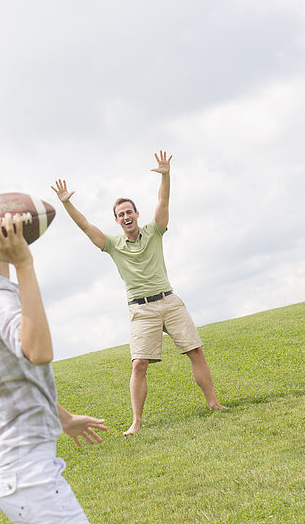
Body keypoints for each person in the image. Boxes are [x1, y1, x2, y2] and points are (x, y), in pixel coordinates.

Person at [0, 188, 107, 524]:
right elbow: (39, 353)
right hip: (25, 472)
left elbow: (14, 380)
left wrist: (63, 418)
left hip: (11, 469)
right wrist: (24, 264)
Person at [52, 150, 226, 436]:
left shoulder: (155, 231)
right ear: (117, 220)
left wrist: (166, 175)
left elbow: (163, 200)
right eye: (120, 214)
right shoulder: (111, 244)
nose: (125, 216)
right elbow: (85, 225)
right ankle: (136, 422)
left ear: (136, 214)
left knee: (196, 351)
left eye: (129, 212)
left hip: (169, 301)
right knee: (139, 364)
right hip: (141, 309)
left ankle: (214, 404)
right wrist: (67, 203)